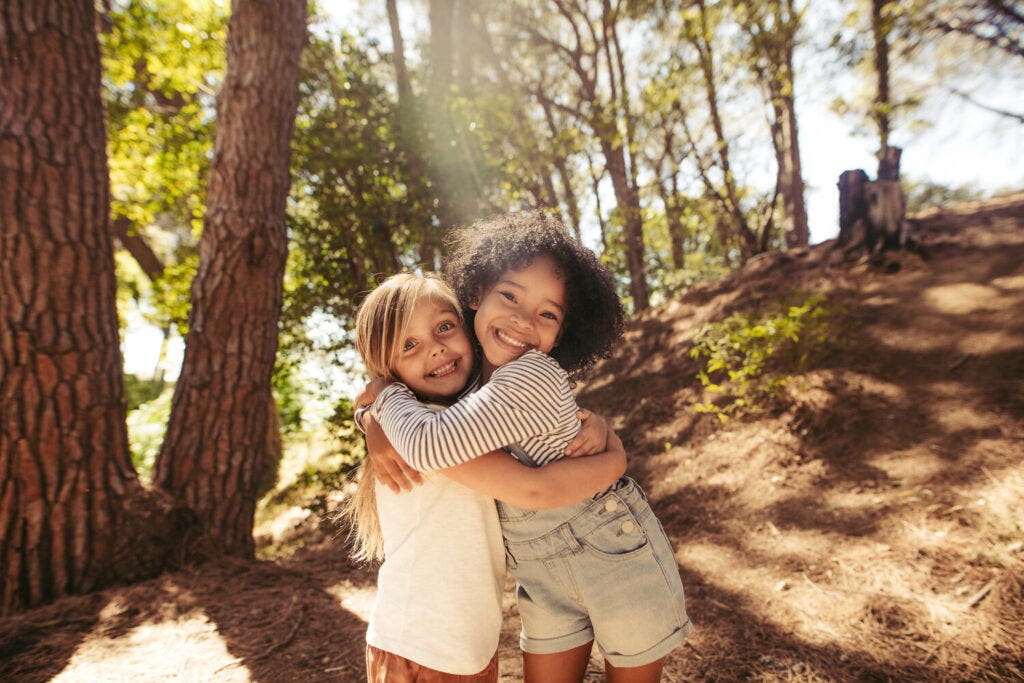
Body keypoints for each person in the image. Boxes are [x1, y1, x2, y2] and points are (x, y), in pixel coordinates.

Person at [360, 212, 692, 683]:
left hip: (611, 552)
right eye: (511, 296)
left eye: (548, 313)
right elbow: (432, 429)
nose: (521, 319)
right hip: (537, 571)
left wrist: (382, 397)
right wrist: (371, 415)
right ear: (476, 294)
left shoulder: (529, 373)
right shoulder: (470, 383)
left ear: (564, 333)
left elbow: (434, 446)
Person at [343, 272, 629, 683]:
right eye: (409, 345)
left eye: (445, 326)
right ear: (387, 369)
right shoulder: (431, 437)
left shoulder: (462, 422)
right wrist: (616, 458)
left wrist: (594, 425)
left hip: (463, 648)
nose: (437, 348)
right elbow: (536, 487)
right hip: (426, 650)